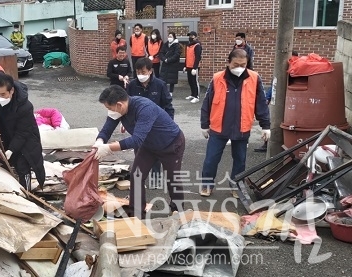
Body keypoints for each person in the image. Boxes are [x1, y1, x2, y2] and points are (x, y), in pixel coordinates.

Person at [93, 85, 185, 218]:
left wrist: (108, 148)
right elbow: (107, 128)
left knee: (172, 178)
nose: (109, 111)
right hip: (148, 145)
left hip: (171, 144)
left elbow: (136, 140)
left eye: (109, 108)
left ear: (119, 104)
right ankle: (137, 212)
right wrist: (100, 141)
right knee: (136, 175)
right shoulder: (119, 110)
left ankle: (178, 210)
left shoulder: (144, 108)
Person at [200, 49, 270, 197]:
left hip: (242, 127)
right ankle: (207, 184)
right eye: (236, 64)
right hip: (219, 127)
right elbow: (207, 102)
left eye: (243, 64)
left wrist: (266, 126)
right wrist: (204, 124)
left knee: (240, 160)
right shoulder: (217, 78)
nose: (239, 67)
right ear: (228, 62)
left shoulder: (254, 78)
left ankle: (236, 186)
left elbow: (261, 103)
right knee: (211, 159)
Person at [0, 73, 45, 190]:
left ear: (11, 91)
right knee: (2, 164)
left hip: (25, 140)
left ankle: (26, 193)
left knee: (22, 165)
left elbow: (23, 132)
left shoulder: (25, 107)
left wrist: (11, 149)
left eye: (3, 94)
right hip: (5, 134)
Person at [254, 50, 299, 153]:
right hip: (280, 103)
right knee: (273, 123)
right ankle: (267, 144)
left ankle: (273, 145)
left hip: (289, 103)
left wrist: (267, 98)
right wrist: (267, 98)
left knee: (278, 124)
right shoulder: (283, 70)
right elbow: (273, 86)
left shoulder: (294, 70)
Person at [184, 31, 203, 103]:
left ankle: (197, 96)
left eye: (192, 36)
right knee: (190, 81)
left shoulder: (197, 45)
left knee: (195, 81)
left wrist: (195, 68)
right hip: (188, 66)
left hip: (194, 67)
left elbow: (198, 57)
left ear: (195, 37)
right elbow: (187, 56)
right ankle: (192, 94)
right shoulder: (188, 46)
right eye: (189, 36)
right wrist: (185, 66)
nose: (190, 37)